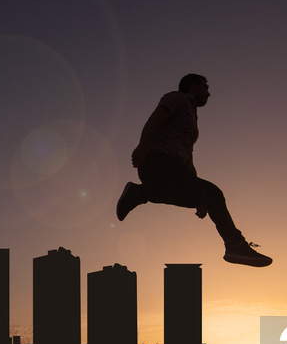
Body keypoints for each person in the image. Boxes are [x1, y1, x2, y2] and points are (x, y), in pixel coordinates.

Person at [116, 73, 272, 267]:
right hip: (158, 162)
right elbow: (155, 119)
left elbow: (187, 157)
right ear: (194, 86)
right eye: (206, 88)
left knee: (211, 194)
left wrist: (200, 198)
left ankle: (235, 246)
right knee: (213, 193)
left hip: (176, 168)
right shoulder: (178, 98)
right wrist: (142, 146)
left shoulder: (191, 116)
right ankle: (235, 245)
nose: (209, 94)